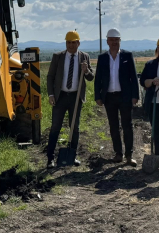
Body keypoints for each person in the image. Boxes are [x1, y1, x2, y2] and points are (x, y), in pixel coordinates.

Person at [46, 30, 94, 168]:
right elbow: (50, 76)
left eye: (73, 43)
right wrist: (51, 94)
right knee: (55, 127)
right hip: (60, 97)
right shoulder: (58, 57)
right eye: (68, 42)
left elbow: (91, 77)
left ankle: (72, 156)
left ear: (78, 43)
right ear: (66, 43)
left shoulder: (84, 57)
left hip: (75, 97)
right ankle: (50, 158)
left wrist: (86, 71)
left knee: (75, 128)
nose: (71, 45)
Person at [94, 28, 140, 167]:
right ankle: (118, 154)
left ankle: (129, 155)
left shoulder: (127, 56)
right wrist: (98, 96)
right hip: (109, 97)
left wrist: (135, 95)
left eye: (116, 40)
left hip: (125, 96)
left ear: (120, 41)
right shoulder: (102, 58)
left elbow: (134, 77)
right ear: (107, 41)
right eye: (111, 40)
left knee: (127, 126)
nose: (114, 42)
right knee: (113, 126)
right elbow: (98, 79)